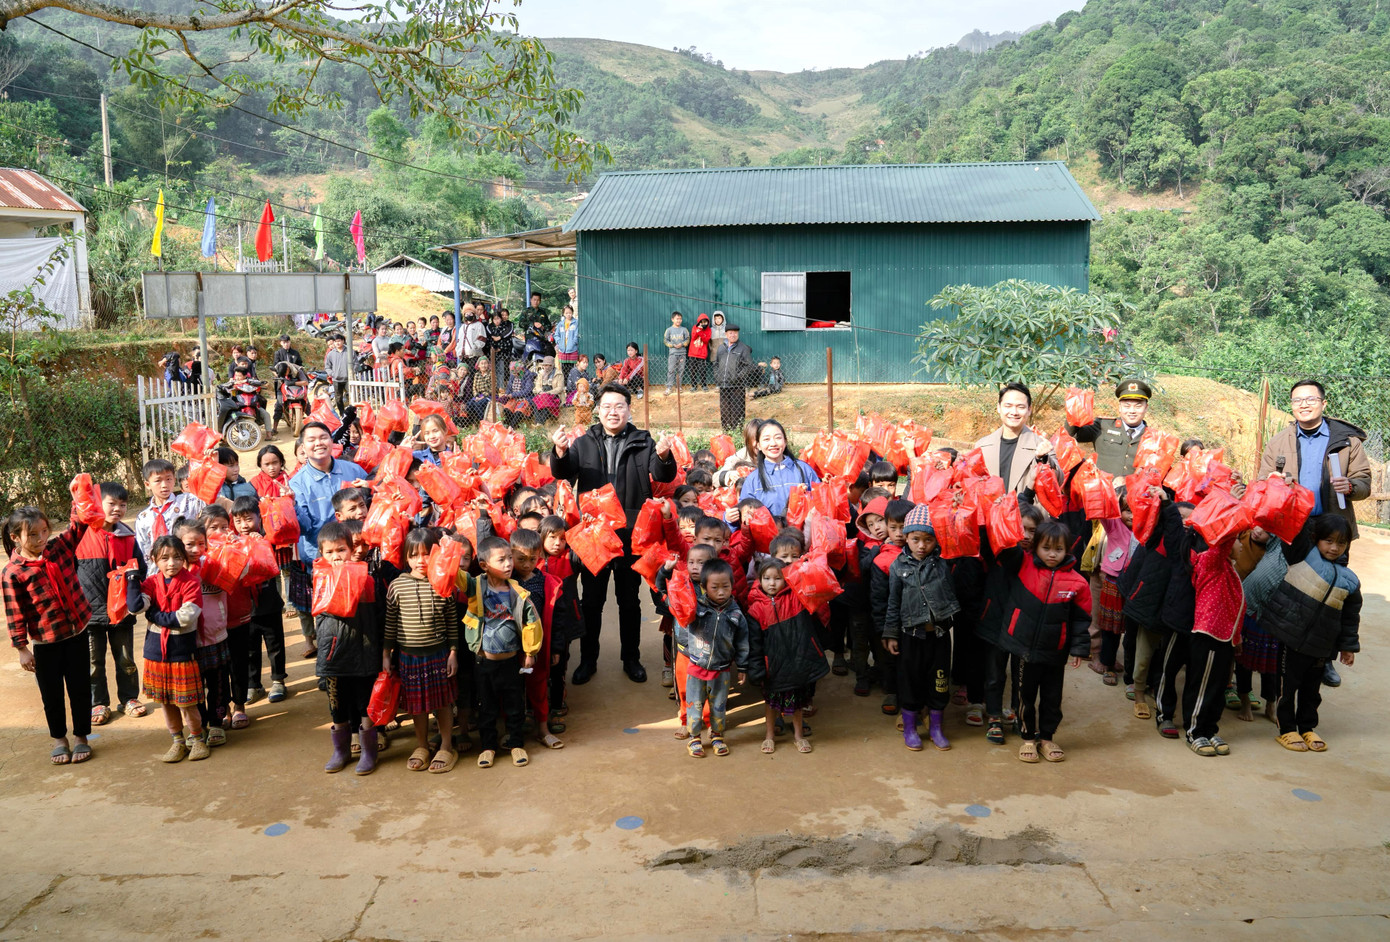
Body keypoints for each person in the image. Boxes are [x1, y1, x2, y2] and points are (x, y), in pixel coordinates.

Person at [549, 382, 678, 684]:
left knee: (629, 600)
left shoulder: (642, 440)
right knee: (592, 601)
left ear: (628, 409)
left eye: (619, 406)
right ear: (598, 410)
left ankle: (630, 659)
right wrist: (560, 450)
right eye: (607, 406)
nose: (613, 412)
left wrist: (662, 456)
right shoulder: (584, 443)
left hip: (632, 534)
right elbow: (564, 472)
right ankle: (588, 660)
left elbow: (662, 475)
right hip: (595, 535)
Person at [990, 518, 1092, 763]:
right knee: (1025, 695)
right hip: (1023, 649)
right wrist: (1014, 504)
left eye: (1059, 549)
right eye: (1046, 548)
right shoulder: (1023, 565)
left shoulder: (1078, 583)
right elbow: (1005, 546)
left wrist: (1078, 649)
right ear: (1035, 547)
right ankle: (1027, 737)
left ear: (1068, 550)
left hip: (1055, 652)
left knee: (1052, 698)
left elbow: (1081, 620)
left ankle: (1046, 737)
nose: (1052, 554)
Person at [4, 503, 98, 765]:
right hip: (45, 643)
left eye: (44, 531)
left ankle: (81, 737)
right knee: (51, 695)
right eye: (33, 535)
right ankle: (60, 739)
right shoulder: (13, 572)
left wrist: (78, 498)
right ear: (15, 538)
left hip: (77, 634)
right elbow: (15, 612)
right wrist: (22, 648)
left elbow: (78, 526)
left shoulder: (58, 548)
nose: (41, 539)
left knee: (80, 688)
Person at [1259, 514, 1361, 753]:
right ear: (1316, 539)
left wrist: (1348, 646)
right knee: (1287, 687)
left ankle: (1306, 726)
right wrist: (1296, 498)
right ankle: (1287, 728)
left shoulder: (1350, 580)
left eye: (1341, 543)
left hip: (1322, 646)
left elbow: (1350, 618)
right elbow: (1294, 530)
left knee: (1312, 690)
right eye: (1328, 541)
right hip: (1291, 639)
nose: (1334, 548)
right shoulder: (1304, 555)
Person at [459, 535, 543, 769]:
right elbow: (455, 577)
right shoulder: (476, 585)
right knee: (486, 707)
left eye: (509, 558)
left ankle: (516, 744)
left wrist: (530, 651)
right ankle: (488, 747)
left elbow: (531, 623)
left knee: (515, 705)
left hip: (511, 662)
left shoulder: (517, 591)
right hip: (484, 662)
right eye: (501, 560)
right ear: (485, 565)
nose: (508, 564)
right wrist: (447, 550)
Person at [884, 505, 961, 752]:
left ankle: (936, 728)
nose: (921, 546)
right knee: (910, 681)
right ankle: (910, 728)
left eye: (928, 540)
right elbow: (893, 602)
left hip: (938, 636)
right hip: (910, 636)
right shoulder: (897, 567)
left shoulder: (942, 564)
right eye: (915, 539)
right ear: (906, 537)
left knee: (939, 681)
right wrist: (891, 633)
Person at [384, 528, 459, 774]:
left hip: (439, 654)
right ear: (406, 557)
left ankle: (447, 745)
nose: (420, 561)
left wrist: (453, 652)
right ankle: (422, 745)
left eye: (427, 554)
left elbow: (451, 622)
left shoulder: (442, 583)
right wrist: (386, 654)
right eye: (414, 555)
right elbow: (390, 623)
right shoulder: (396, 586)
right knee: (417, 705)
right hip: (409, 656)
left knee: (444, 702)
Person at [288, 423, 367, 656]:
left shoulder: (353, 471)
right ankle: (330, 665)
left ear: (332, 442)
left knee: (362, 609)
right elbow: (303, 529)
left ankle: (362, 659)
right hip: (323, 561)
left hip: (360, 554)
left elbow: (371, 504)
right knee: (328, 614)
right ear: (303, 447)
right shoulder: (297, 483)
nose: (318, 443)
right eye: (311, 439)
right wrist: (291, 505)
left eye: (323, 437)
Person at [312, 521, 381, 775]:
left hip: (363, 651)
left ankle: (369, 752)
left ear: (352, 550)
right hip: (333, 655)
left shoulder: (366, 579)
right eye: (329, 552)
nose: (336, 557)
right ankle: (340, 750)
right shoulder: (320, 579)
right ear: (321, 554)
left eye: (341, 550)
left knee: (365, 704)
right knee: (337, 705)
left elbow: (375, 618)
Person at [131, 534, 207, 763]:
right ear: (154, 559)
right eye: (164, 558)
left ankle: (197, 739)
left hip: (181, 651)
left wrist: (155, 615)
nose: (171, 563)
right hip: (156, 652)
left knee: (187, 701)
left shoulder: (191, 582)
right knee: (165, 701)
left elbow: (186, 617)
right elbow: (135, 607)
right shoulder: (151, 583)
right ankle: (178, 741)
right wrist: (132, 580)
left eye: (176, 557)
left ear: (184, 559)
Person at [746, 558, 828, 755]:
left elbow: (816, 590)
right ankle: (769, 735)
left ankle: (798, 736)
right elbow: (754, 644)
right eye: (766, 578)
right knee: (771, 704)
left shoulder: (797, 599)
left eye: (777, 578)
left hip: (798, 664)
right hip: (773, 667)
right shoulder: (755, 609)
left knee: (798, 703)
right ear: (759, 579)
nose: (772, 583)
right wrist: (757, 668)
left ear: (787, 580)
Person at [671, 557, 750, 758]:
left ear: (733, 585)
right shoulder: (695, 608)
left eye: (726, 586)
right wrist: (666, 572)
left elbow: (742, 642)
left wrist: (742, 667)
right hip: (696, 667)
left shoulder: (736, 614)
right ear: (705, 588)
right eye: (715, 587)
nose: (721, 591)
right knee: (695, 704)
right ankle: (695, 737)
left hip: (722, 669)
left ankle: (716, 735)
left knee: (719, 705)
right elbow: (670, 599)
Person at [975, 383, 1054, 495]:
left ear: (1029, 410)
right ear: (998, 407)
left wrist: (1042, 459)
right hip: (992, 511)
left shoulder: (1041, 446)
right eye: (1008, 406)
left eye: (1020, 407)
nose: (1014, 412)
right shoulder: (981, 446)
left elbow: (1058, 480)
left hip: (1027, 511)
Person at [1066, 378, 1153, 477]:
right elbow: (1072, 435)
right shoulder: (1103, 425)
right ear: (1119, 407)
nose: (1132, 411)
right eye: (1127, 406)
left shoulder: (1154, 439)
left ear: (1146, 408)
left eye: (1138, 406)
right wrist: (1075, 410)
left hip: (1134, 491)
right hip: (1101, 490)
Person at [738, 419, 820, 518]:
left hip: (802, 533)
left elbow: (821, 503)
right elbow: (744, 514)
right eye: (766, 439)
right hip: (768, 533)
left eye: (778, 438)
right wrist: (728, 518)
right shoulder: (753, 480)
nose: (773, 443)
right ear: (759, 445)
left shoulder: (804, 470)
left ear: (785, 441)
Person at [134, 458, 207, 559]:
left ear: (174, 480)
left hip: (187, 562)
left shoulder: (187, 501)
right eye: (158, 480)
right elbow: (143, 548)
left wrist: (211, 465)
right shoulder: (143, 518)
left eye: (168, 479)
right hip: (157, 568)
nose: (164, 485)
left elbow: (209, 497)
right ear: (147, 484)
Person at [713, 324, 757, 431]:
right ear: (726, 334)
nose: (733, 335)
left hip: (737, 386)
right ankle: (726, 434)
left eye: (735, 333)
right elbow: (716, 364)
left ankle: (737, 433)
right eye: (731, 333)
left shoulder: (743, 348)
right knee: (725, 412)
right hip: (723, 385)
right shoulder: (721, 348)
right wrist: (717, 376)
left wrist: (738, 377)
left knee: (737, 412)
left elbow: (749, 366)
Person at [553, 304, 580, 381]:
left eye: (570, 312)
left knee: (572, 368)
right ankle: (564, 384)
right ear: (563, 314)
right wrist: (559, 341)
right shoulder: (560, 324)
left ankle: (571, 384)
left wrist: (574, 342)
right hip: (562, 349)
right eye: (566, 313)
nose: (568, 314)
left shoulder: (576, 323)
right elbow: (556, 335)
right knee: (563, 368)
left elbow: (576, 335)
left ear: (572, 313)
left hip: (572, 349)